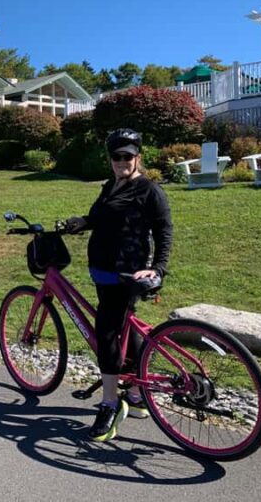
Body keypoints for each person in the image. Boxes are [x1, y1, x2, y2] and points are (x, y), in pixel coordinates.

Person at [65, 128, 173, 442]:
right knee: (127, 327)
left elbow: (165, 230)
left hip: (126, 273)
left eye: (127, 156)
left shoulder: (149, 190)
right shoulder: (110, 186)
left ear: (138, 157)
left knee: (107, 331)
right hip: (103, 272)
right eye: (116, 156)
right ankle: (138, 396)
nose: (121, 161)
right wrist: (82, 222)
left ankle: (110, 403)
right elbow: (101, 218)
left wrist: (157, 269)